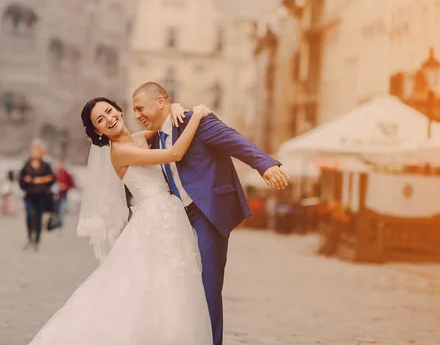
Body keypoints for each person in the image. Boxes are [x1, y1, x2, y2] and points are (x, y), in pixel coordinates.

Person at [27, 99, 213, 344]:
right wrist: (198, 114)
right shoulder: (120, 151)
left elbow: (165, 126)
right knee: (156, 282)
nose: (109, 119)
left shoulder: (138, 138)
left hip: (168, 214)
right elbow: (174, 153)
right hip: (154, 218)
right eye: (100, 120)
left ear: (119, 110)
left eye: (109, 111)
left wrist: (176, 106)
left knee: (169, 283)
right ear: (98, 132)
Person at [131, 82, 289, 345]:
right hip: (179, 217)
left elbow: (234, 140)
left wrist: (266, 165)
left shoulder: (197, 121)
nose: (137, 115)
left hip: (208, 212)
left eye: (139, 108)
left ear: (160, 102)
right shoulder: (156, 136)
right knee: (183, 286)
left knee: (208, 286)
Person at [19, 139, 54, 250]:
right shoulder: (27, 164)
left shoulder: (46, 165)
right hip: (29, 194)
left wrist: (40, 180)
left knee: (38, 217)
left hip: (41, 195)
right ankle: (30, 237)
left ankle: (37, 239)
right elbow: (21, 177)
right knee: (29, 215)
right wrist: (26, 181)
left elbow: (52, 178)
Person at [54, 157, 75, 227]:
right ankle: (54, 223)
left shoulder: (67, 174)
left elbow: (72, 184)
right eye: (58, 164)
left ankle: (60, 225)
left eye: (61, 164)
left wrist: (65, 186)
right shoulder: (54, 173)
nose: (59, 165)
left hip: (63, 195)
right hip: (55, 195)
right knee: (55, 210)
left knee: (61, 211)